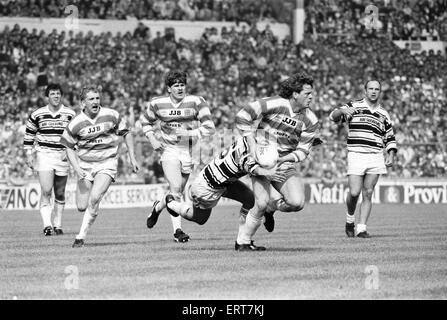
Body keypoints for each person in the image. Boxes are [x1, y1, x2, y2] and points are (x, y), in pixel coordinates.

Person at [234, 72, 320, 249]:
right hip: (262, 161)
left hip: (284, 163)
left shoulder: (310, 119)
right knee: (261, 202)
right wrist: (251, 142)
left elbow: (303, 151)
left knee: (297, 203)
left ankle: (271, 210)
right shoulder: (274, 103)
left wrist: (282, 159)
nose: (311, 97)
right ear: (295, 94)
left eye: (312, 93)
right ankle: (242, 242)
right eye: (307, 93)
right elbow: (243, 115)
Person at [165, 136, 292, 251]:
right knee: (200, 218)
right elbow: (256, 170)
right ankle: (171, 204)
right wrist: (271, 173)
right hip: (207, 187)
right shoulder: (246, 157)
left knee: (250, 199)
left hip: (223, 181)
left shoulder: (250, 140)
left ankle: (242, 242)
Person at [59, 85, 139, 248]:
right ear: (83, 103)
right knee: (82, 206)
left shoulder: (111, 115)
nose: (95, 101)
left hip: (106, 163)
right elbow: (67, 146)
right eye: (91, 99)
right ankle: (92, 210)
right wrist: (76, 167)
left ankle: (80, 237)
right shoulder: (76, 123)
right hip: (85, 165)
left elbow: (126, 133)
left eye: (97, 98)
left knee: (95, 198)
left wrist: (132, 156)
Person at [141, 71, 216, 243]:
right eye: (176, 85)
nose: (180, 88)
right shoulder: (157, 103)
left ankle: (158, 207)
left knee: (178, 193)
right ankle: (178, 231)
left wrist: (189, 133)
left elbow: (209, 127)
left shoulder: (197, 101)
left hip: (188, 152)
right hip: (169, 150)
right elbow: (145, 121)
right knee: (175, 189)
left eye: (182, 84)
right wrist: (152, 138)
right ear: (169, 88)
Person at [329, 80, 397, 238]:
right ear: (365, 90)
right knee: (354, 192)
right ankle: (349, 219)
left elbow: (390, 137)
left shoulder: (384, 114)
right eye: (371, 89)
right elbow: (333, 117)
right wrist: (343, 111)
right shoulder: (354, 105)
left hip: (375, 156)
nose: (374, 91)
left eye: (377, 89)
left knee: (368, 192)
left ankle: (361, 228)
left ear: (380, 92)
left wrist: (391, 154)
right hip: (356, 153)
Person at [23, 83, 76, 236]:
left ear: (61, 96)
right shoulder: (37, 114)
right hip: (44, 154)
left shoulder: (70, 113)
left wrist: (71, 151)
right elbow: (29, 135)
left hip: (62, 155)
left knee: (60, 192)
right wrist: (29, 154)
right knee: (46, 190)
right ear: (47, 96)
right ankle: (47, 225)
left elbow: (76, 135)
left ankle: (58, 224)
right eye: (52, 94)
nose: (56, 96)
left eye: (58, 93)